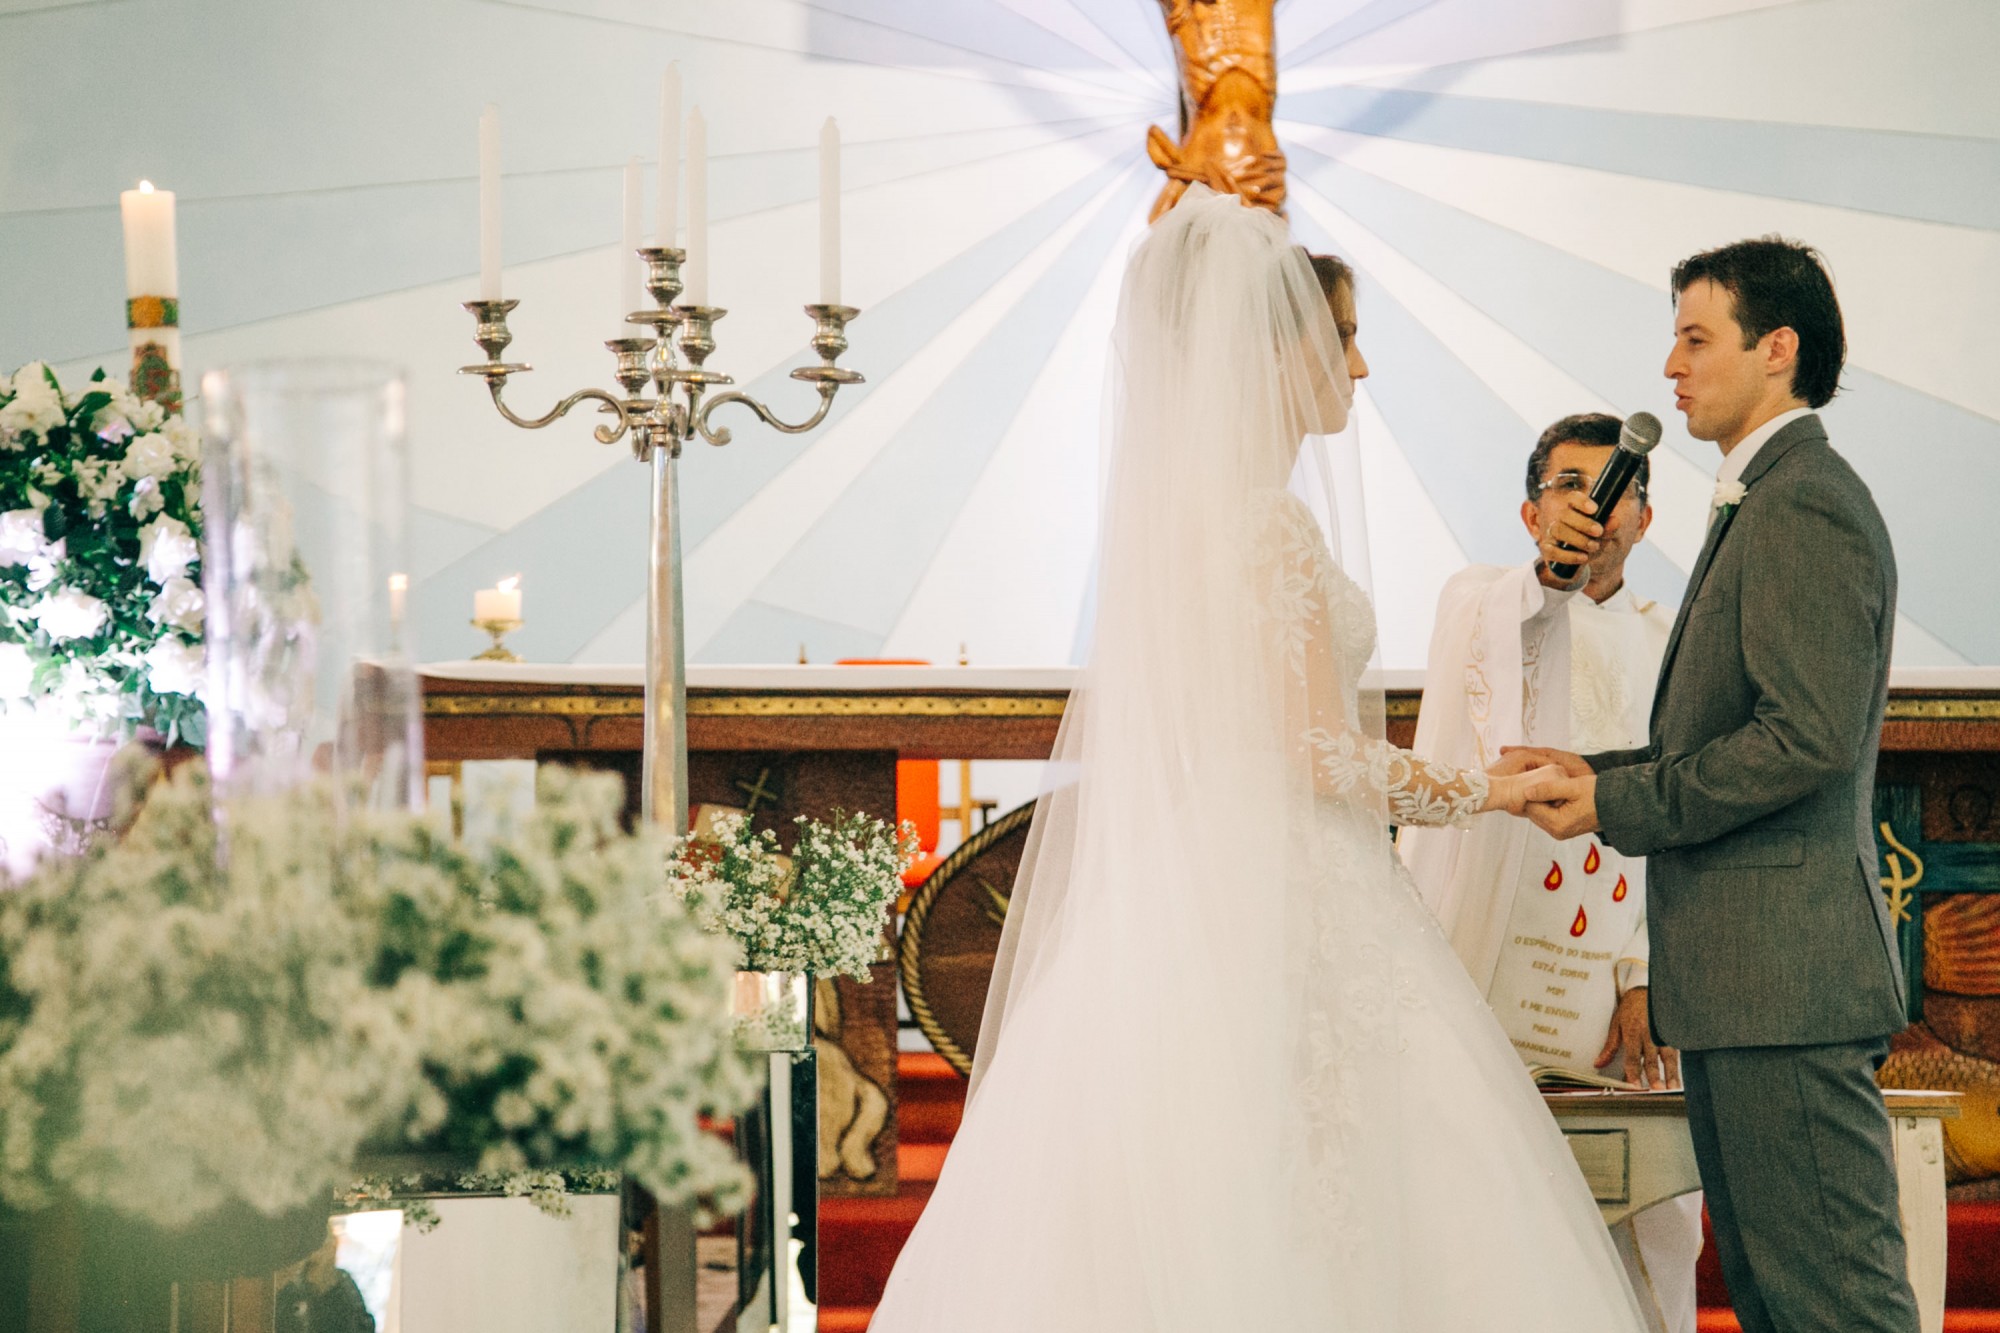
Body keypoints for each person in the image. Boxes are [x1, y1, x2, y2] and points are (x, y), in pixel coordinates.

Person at [868, 185, 1646, 1331]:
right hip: (1290, 882)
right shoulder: (1265, 523)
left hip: (1206, 873)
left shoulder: (1194, 514)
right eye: (1342, 337)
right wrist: (1485, 787)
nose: (1360, 367)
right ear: (1276, 348)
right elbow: (1309, 753)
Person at [1513, 238, 1916, 1333]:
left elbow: (1802, 740)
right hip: (1748, 985)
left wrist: (1613, 805)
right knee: (1778, 1303)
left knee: (1830, 1306)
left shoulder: (1803, 504)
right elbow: (1731, 729)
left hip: (1780, 982)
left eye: (1695, 337)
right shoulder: (1765, 497)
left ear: (1774, 348)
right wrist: (1585, 774)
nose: (1670, 366)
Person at [1399, 412, 1702, 1333]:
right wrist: (1545, 580)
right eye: (1570, 487)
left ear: (1645, 521)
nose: (1592, 509)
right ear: (1531, 515)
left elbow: (1681, 808)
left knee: (1643, 1229)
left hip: (1616, 983)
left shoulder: (1673, 643)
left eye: (1616, 492)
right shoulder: (1484, 603)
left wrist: (1648, 974)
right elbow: (1509, 623)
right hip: (1482, 957)